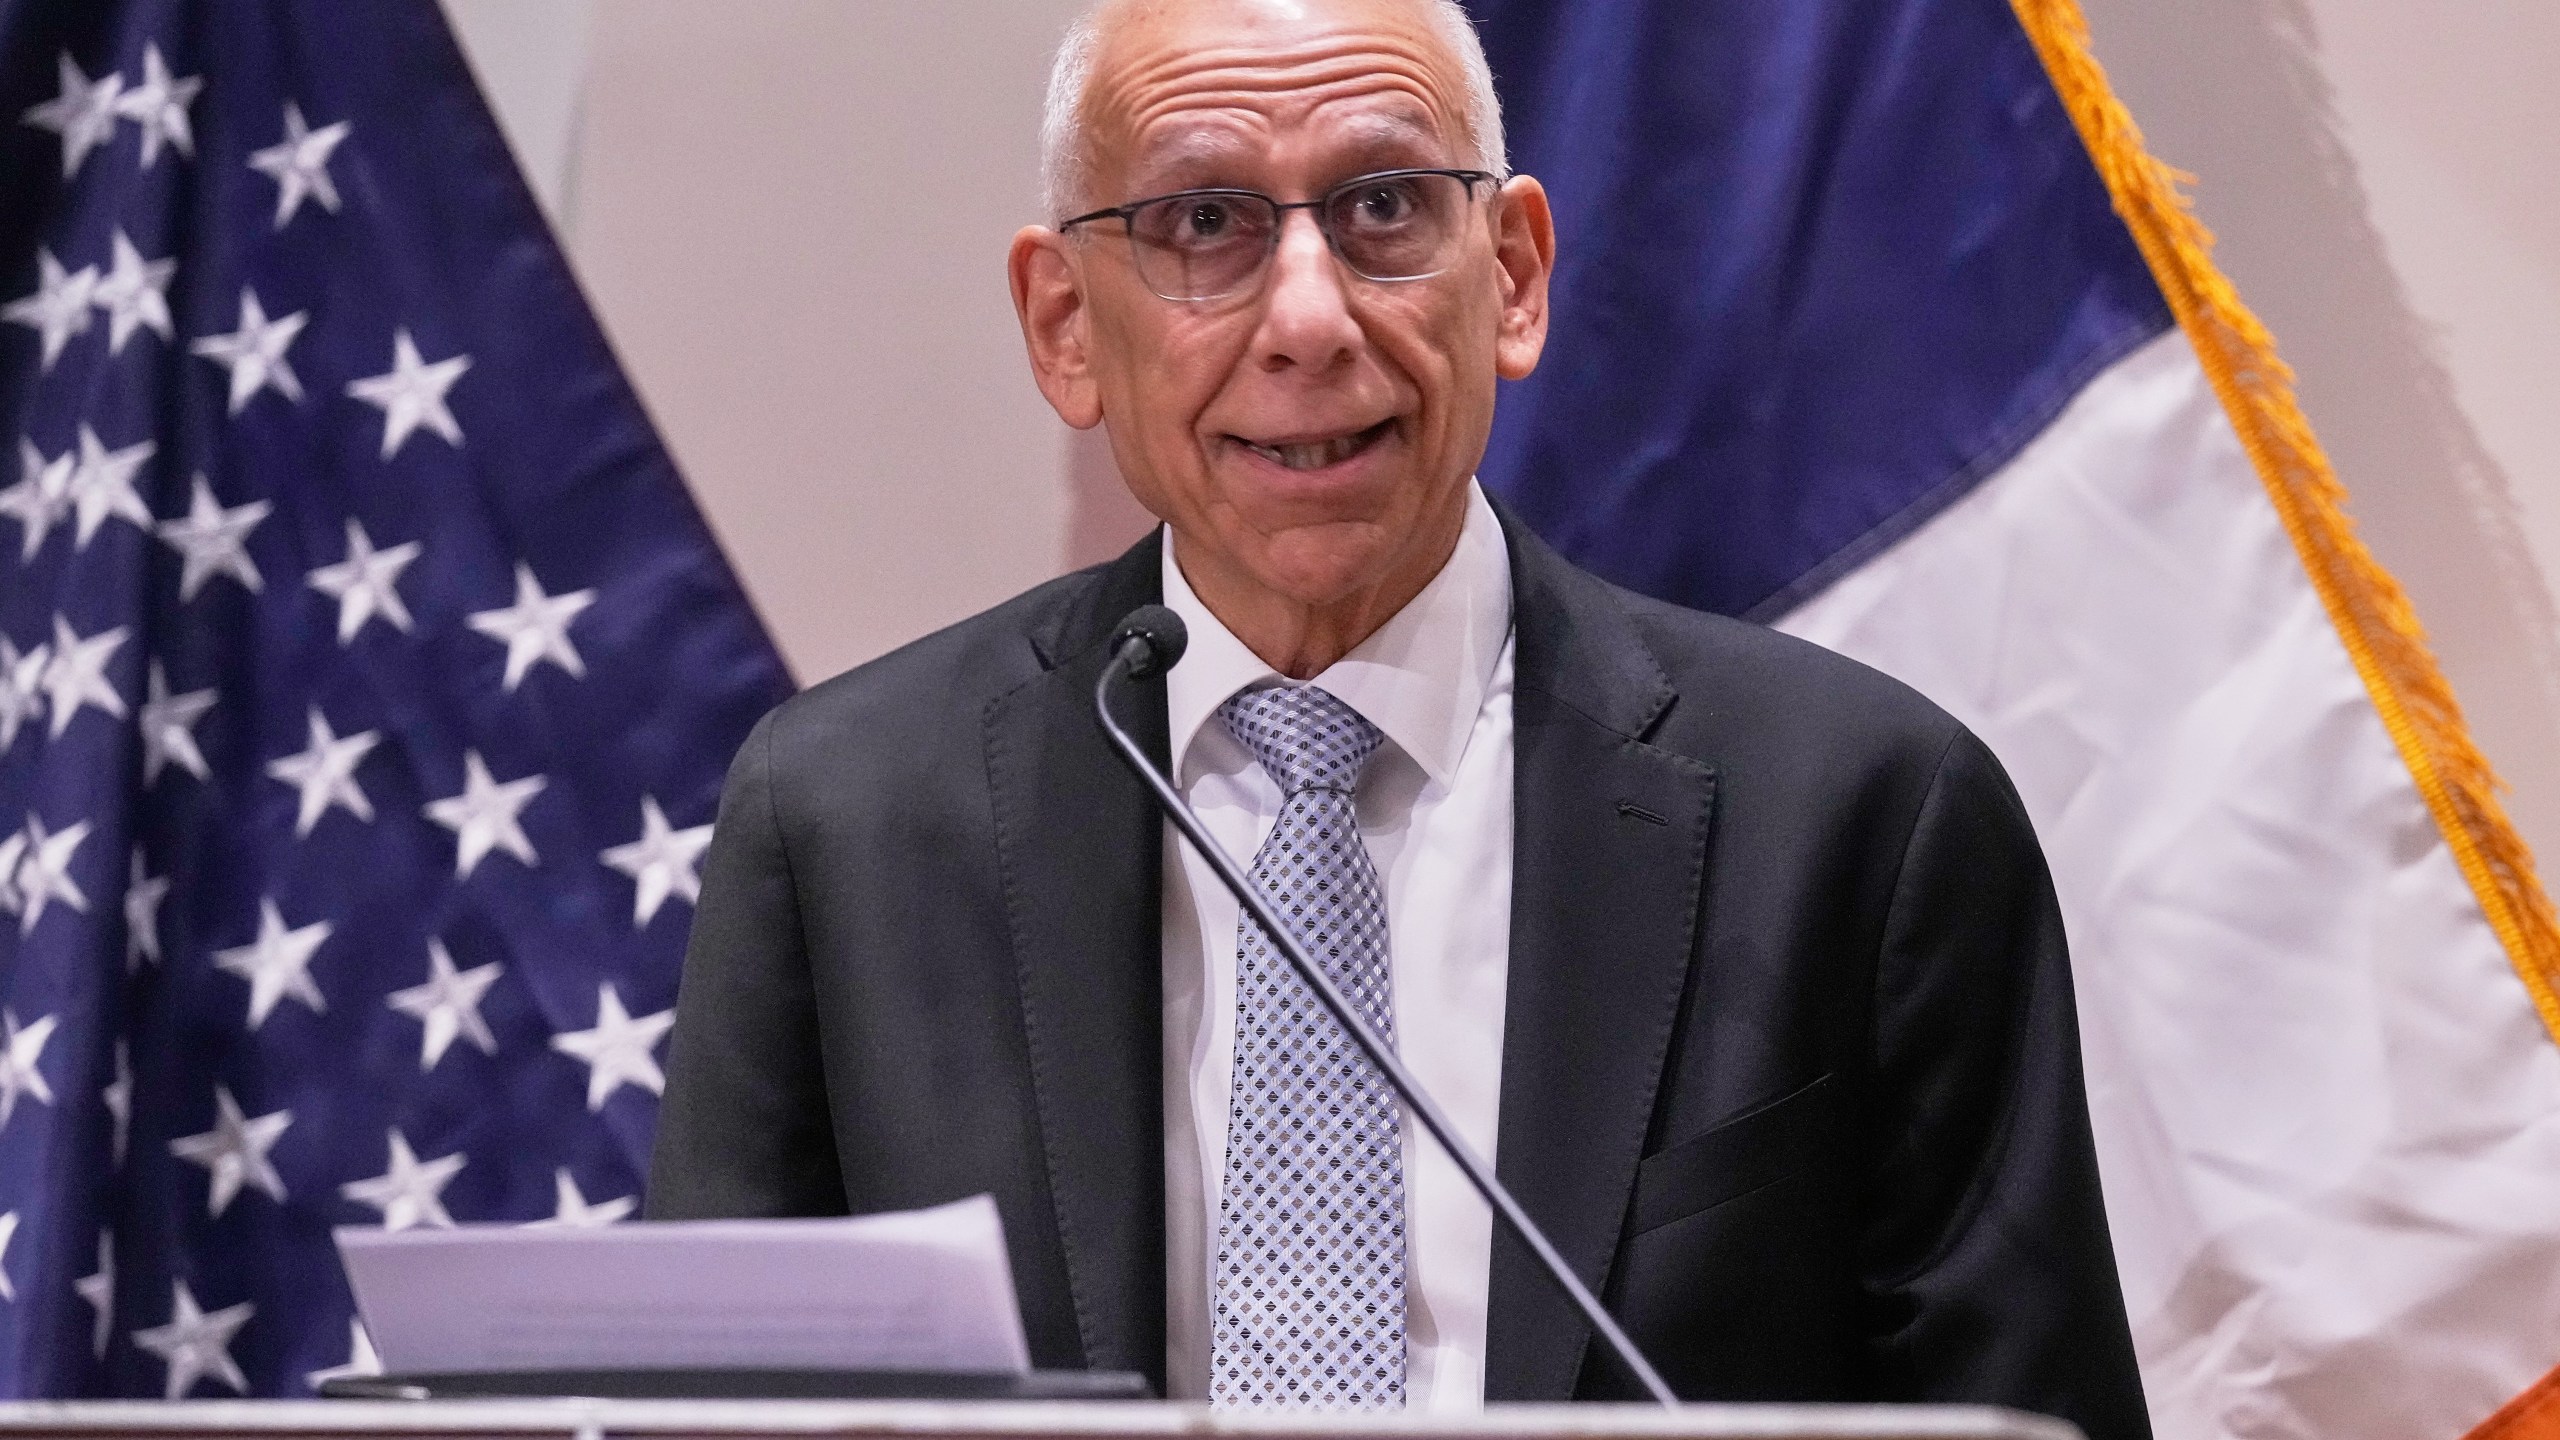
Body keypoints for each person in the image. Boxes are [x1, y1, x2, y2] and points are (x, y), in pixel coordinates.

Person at [647, 0, 2151, 1433]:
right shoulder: (842, 820)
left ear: (1513, 274)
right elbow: (705, 1421)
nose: (1308, 320)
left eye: (1383, 207)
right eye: (1204, 223)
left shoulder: (1863, 818)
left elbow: (2026, 1422)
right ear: (1064, 326)